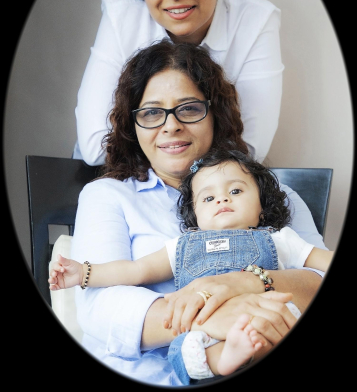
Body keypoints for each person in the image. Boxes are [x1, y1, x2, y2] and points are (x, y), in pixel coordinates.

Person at [68, 39, 327, 386]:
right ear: (133, 125)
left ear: (214, 113)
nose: (170, 125)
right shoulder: (106, 196)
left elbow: (318, 276)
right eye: (151, 112)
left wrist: (245, 282)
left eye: (188, 108)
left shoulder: (274, 195)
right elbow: (101, 308)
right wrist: (211, 317)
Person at [49, 148, 333, 384]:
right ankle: (227, 356)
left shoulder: (281, 239)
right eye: (208, 198)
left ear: (261, 206)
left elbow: (322, 265)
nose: (222, 199)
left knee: (281, 317)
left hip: (262, 321)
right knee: (187, 347)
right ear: (196, 215)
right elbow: (136, 271)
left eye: (235, 190)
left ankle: (241, 349)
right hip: (199, 335)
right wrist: (85, 272)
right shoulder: (181, 246)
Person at [73, 0, 284, 166]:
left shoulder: (256, 19)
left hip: (209, 189)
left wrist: (159, 145)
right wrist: (185, 146)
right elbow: (95, 147)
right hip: (122, 179)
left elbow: (248, 150)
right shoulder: (122, 15)